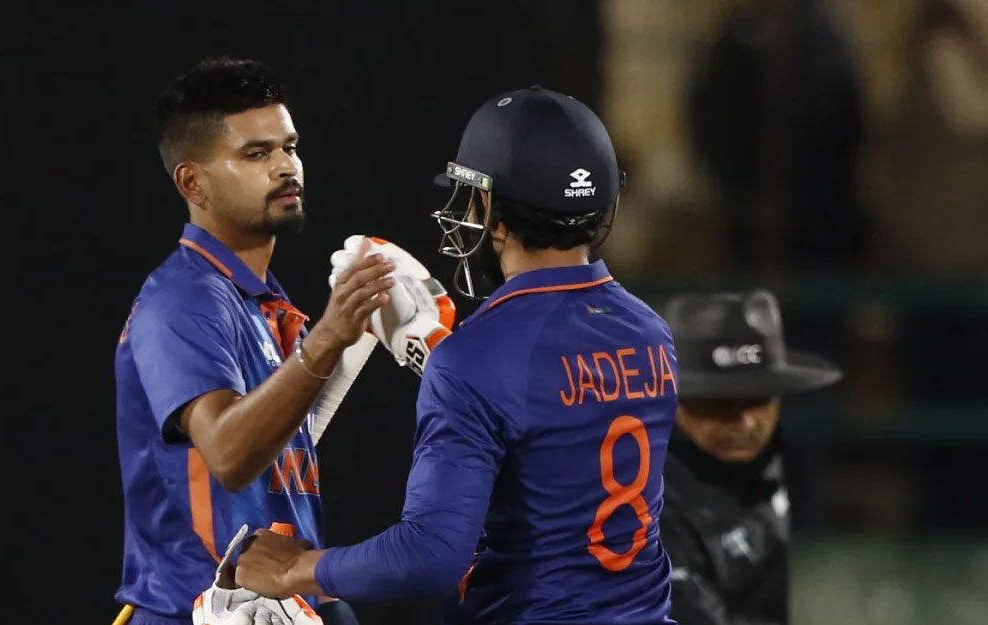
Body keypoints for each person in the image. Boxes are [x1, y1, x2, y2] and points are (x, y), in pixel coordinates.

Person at [232, 86, 681, 625]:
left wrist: (295, 569)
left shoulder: (475, 359)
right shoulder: (651, 333)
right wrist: (436, 348)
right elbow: (557, 411)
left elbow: (428, 558)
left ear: (491, 210)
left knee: (285, 611)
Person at [113, 57, 388, 625]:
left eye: (289, 147)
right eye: (256, 154)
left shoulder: (260, 302)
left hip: (279, 608)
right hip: (193, 612)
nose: (285, 167)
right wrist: (327, 339)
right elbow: (229, 455)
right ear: (192, 182)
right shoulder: (184, 298)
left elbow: (275, 451)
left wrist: (351, 338)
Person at [659, 290, 841, 625]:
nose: (745, 423)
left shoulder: (778, 465)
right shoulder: (638, 507)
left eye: (758, 399)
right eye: (718, 403)